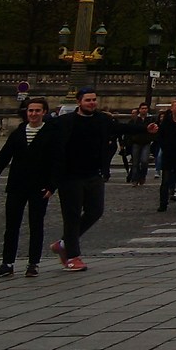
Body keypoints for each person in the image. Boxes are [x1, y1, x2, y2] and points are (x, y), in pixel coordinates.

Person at [0, 97, 59, 278]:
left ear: (44, 113)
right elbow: (4, 156)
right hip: (17, 184)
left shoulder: (51, 132)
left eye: (37, 111)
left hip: (39, 186)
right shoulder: (19, 132)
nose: (33, 114)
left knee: (36, 225)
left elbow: (57, 161)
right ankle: (7, 263)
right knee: (11, 225)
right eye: (30, 111)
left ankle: (33, 263)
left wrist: (52, 185)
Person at [49, 88, 116, 270]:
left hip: (93, 174)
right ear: (79, 102)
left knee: (96, 210)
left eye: (94, 99)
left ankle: (63, 244)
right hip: (70, 176)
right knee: (71, 216)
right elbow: (47, 135)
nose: (92, 103)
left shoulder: (102, 119)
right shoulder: (66, 121)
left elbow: (120, 127)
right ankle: (72, 256)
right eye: (88, 100)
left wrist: (146, 128)